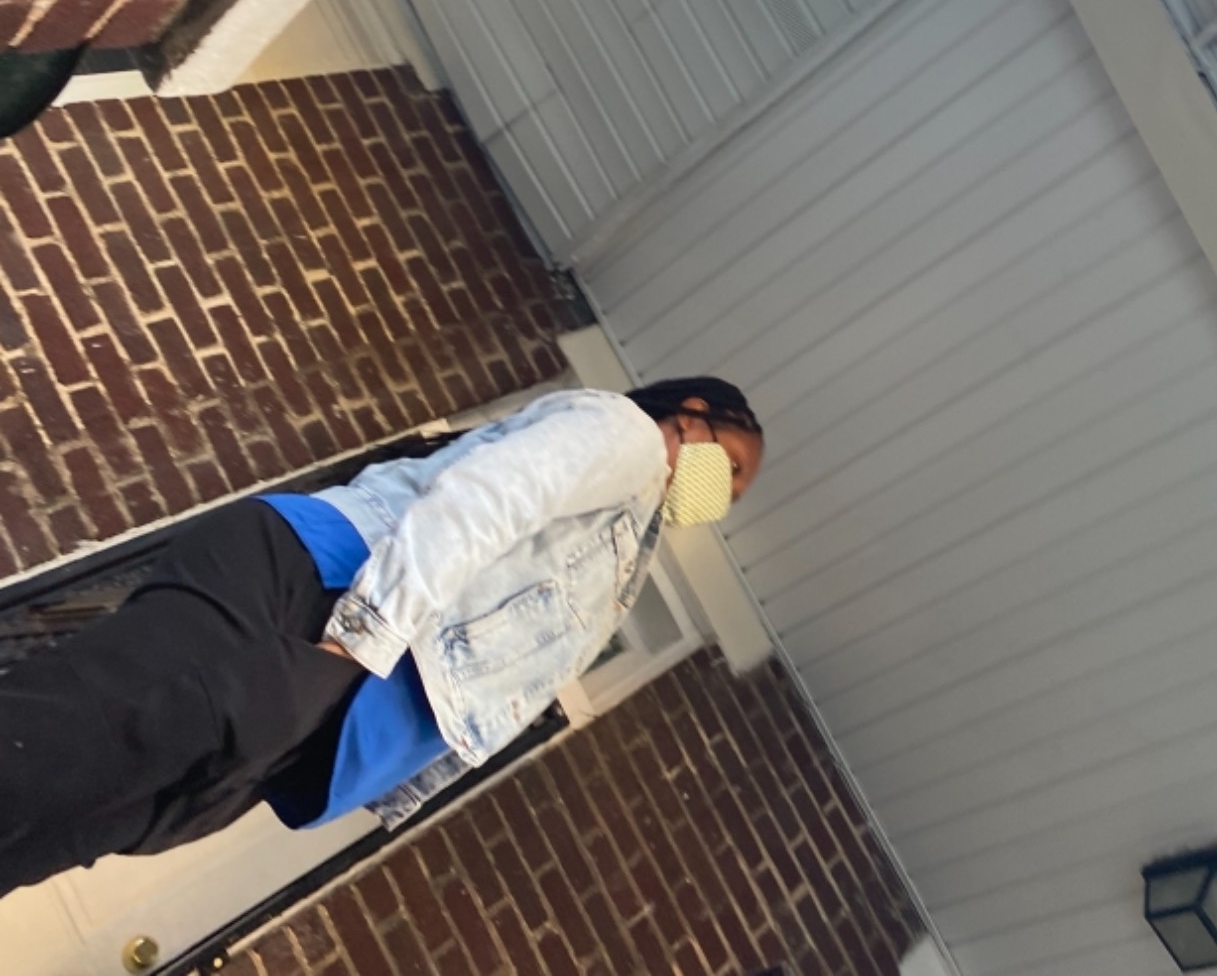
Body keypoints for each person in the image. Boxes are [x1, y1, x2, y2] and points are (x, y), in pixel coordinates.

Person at [0, 376, 763, 897]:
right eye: (728, 465)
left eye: (733, 491)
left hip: (332, 701)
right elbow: (490, 498)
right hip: (320, 603)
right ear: (692, 413)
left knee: (70, 824)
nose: (721, 493)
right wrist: (355, 643)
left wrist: (379, 765)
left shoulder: (626, 546)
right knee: (65, 747)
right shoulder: (626, 438)